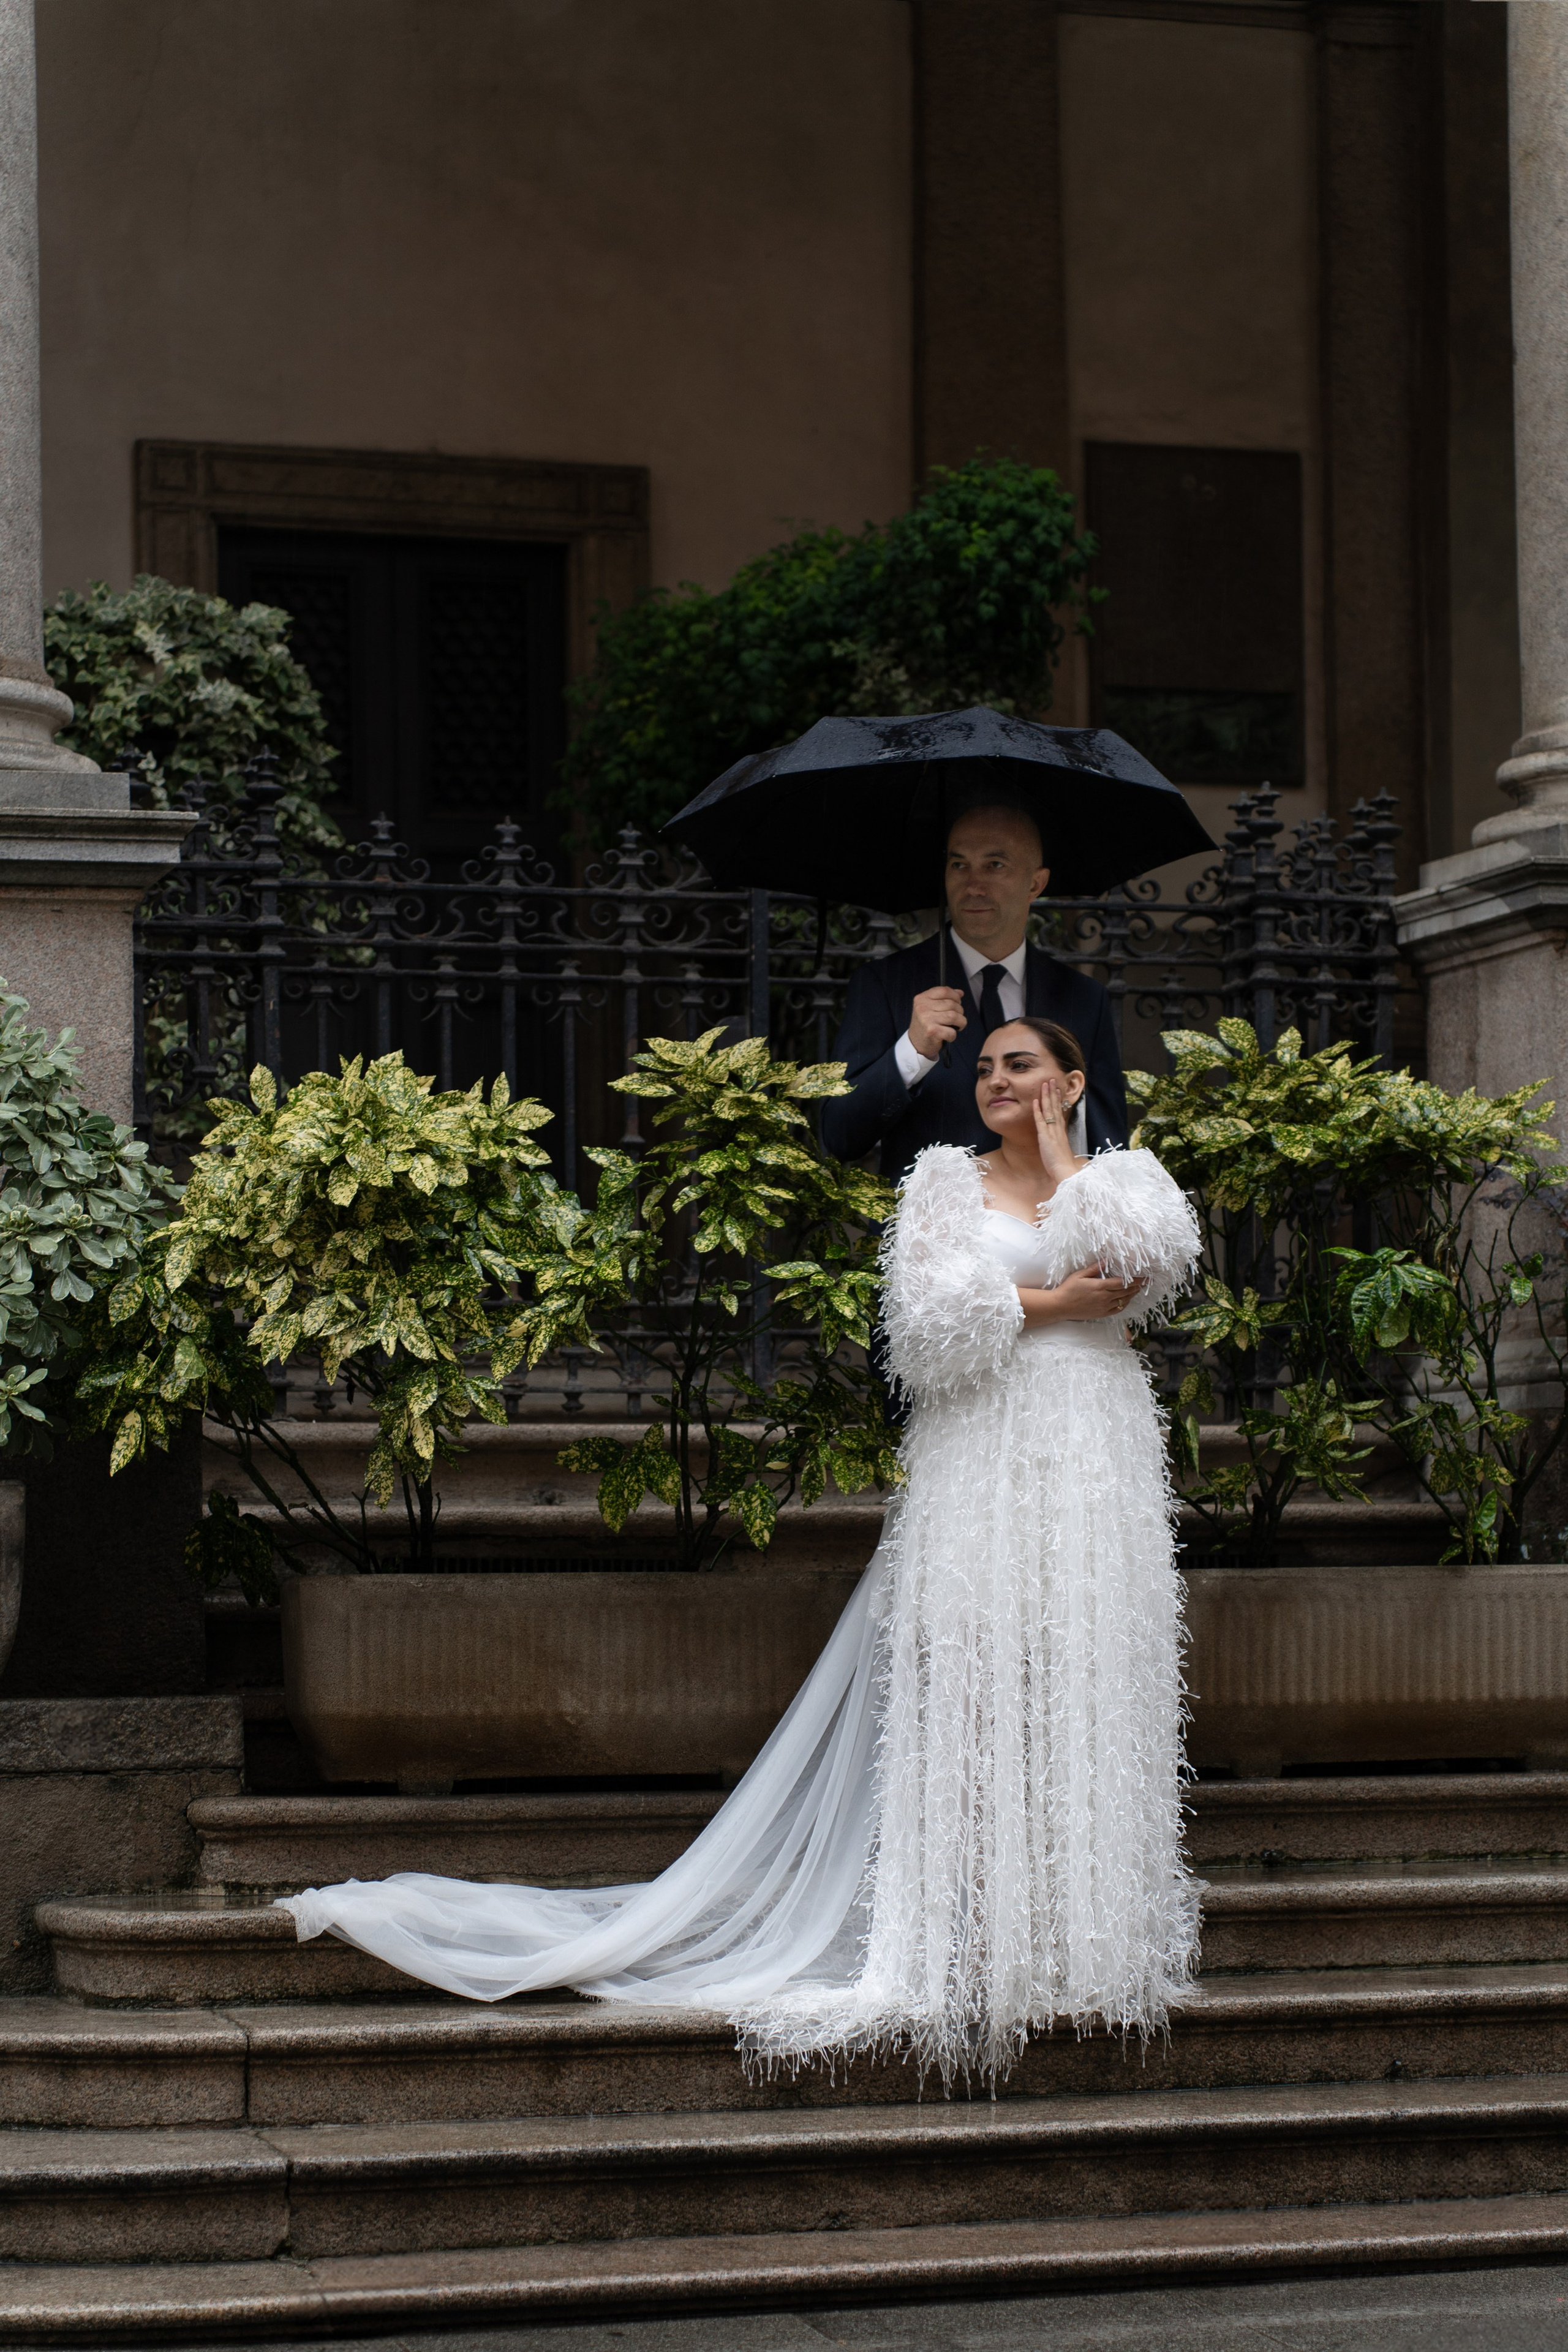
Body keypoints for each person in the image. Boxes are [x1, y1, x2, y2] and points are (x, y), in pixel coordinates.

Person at [279, 1019, 1200, 2087]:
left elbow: (1146, 1267)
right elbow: (926, 1327)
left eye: (1022, 1065)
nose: (997, 1080)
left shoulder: (1122, 1177)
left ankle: (1076, 1943)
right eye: (986, 1066)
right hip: (980, 1458)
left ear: (1072, 1080)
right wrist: (1055, 1304)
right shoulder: (941, 1180)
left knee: (1085, 1677)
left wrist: (1057, 1173)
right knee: (977, 1683)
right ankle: (972, 1936)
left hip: (1094, 1460)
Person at [820, 802, 1128, 1184]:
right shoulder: (885, 983)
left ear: (1036, 883)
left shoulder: (1083, 997)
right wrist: (913, 1050)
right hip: (931, 1234)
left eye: (994, 865)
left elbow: (1109, 1147)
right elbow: (840, 1136)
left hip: (1048, 1235)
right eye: (959, 865)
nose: (973, 885)